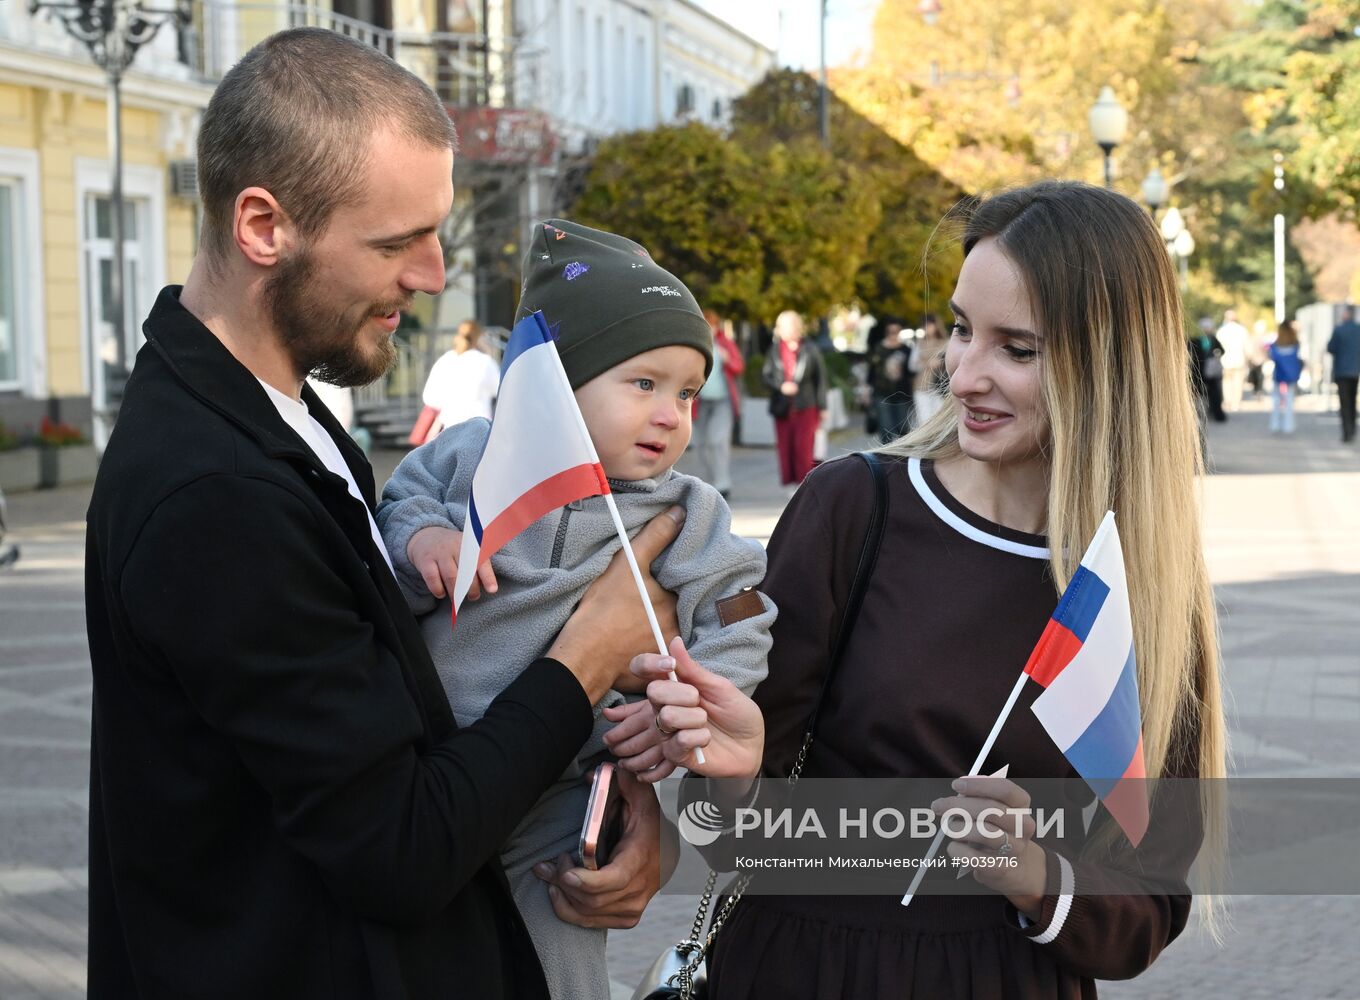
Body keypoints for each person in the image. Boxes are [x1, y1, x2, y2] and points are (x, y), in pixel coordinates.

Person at [83, 30, 678, 1000]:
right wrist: (588, 655)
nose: (435, 274)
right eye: (397, 241)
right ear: (263, 226)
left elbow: (408, 717)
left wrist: (614, 792)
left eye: (436, 233)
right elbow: (400, 845)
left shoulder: (277, 414)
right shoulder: (214, 494)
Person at [637, 181, 1228, 999]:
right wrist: (730, 779)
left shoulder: (1146, 594)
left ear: (1110, 366)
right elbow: (727, 833)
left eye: (1016, 348)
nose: (964, 373)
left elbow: (1149, 900)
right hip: (801, 969)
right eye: (959, 330)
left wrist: (1036, 874)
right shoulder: (854, 507)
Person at [376, 219, 775, 1000]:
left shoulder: (686, 509)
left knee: (561, 952)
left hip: (562, 797)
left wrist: (687, 702)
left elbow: (739, 611)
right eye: (644, 384)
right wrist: (422, 540)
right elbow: (398, 504)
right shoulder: (472, 455)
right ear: (557, 385)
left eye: (688, 393)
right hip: (427, 777)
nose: (672, 414)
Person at [762, 310, 827, 486]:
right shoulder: (774, 350)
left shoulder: (810, 348)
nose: (786, 330)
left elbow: (820, 379)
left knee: (804, 447)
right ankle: (790, 484)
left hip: (806, 405)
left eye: (790, 326)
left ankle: (805, 483)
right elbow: (766, 375)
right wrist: (781, 385)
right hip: (782, 406)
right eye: (782, 326)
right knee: (785, 447)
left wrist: (823, 407)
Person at [419, 317, 501, 442]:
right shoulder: (485, 362)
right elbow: (498, 390)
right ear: (479, 338)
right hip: (479, 428)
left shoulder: (446, 360)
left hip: (449, 427)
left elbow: (429, 398)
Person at [693, 308, 745, 497]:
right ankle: (709, 482)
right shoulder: (695, 345)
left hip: (722, 401)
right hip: (699, 402)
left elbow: (739, 366)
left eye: (711, 326)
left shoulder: (724, 343)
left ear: (716, 327)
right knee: (700, 444)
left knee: (718, 440)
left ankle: (722, 483)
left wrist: (727, 358)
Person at [868, 318, 913, 443]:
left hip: (901, 393)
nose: (893, 334)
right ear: (886, 332)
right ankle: (886, 457)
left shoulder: (906, 349)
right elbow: (872, 371)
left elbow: (911, 371)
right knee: (885, 427)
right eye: (890, 331)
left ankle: (902, 456)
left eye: (896, 331)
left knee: (903, 428)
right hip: (881, 392)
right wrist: (867, 389)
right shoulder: (879, 348)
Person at [909, 312, 950, 427]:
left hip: (940, 386)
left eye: (929, 325)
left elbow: (953, 363)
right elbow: (912, 366)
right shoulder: (919, 343)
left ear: (936, 325)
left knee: (939, 422)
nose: (927, 328)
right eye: (924, 325)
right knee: (924, 422)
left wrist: (940, 362)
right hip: (921, 386)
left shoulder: (946, 342)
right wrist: (927, 363)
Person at [1327, 305, 1360, 443]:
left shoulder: (1339, 330)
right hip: (1355, 370)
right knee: (1352, 400)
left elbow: (1331, 348)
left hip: (1341, 371)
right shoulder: (1358, 330)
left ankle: (1347, 431)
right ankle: (1352, 429)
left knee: (1344, 402)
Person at [1268, 320, 1304, 435]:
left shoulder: (1275, 345)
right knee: (1289, 400)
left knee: (1276, 400)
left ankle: (1275, 424)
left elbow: (1271, 356)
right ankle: (1288, 425)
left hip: (1279, 374)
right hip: (1292, 375)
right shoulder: (1295, 343)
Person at [1215, 309, 1250, 412]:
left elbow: (1217, 348)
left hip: (1225, 361)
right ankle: (1236, 403)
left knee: (1226, 382)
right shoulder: (1241, 330)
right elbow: (1247, 346)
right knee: (1238, 383)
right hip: (1239, 360)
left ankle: (1228, 401)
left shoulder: (1221, 331)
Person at [1193, 317, 1227, 422]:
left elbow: (1222, 350)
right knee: (1199, 393)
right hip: (1198, 370)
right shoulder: (1196, 339)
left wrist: (1214, 356)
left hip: (1209, 371)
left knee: (1214, 393)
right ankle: (1199, 413)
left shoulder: (1212, 339)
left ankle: (1216, 413)